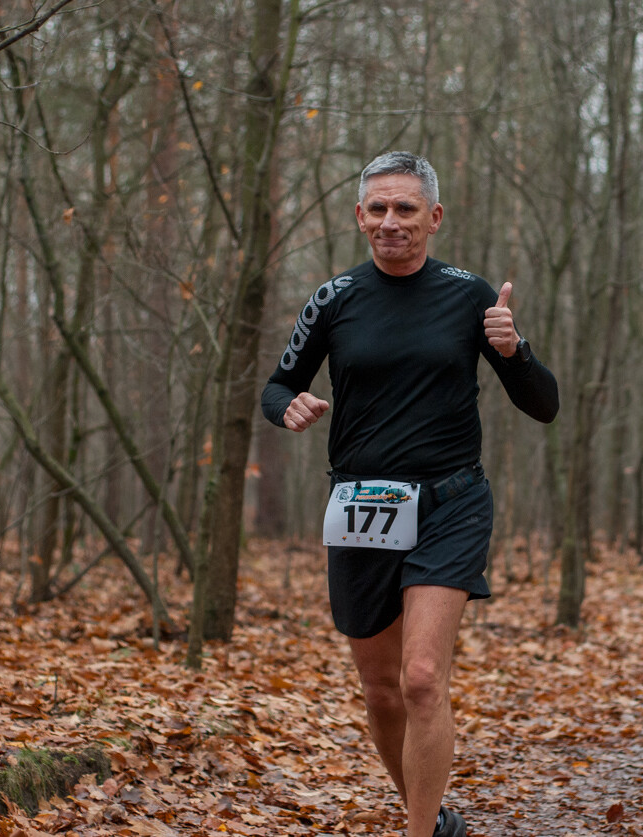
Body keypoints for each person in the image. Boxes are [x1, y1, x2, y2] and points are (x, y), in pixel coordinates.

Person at [261, 151, 559, 837]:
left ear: (434, 216)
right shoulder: (334, 300)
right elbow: (277, 384)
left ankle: (418, 833)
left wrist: (516, 351)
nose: (391, 221)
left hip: (450, 501)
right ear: (359, 217)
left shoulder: (468, 295)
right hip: (361, 507)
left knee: (422, 675)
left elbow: (542, 404)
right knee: (382, 688)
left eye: (405, 208)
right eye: (378, 208)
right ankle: (431, 814)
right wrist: (290, 408)